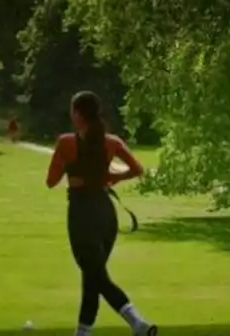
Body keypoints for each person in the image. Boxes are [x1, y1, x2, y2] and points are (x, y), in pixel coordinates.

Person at [45, 91, 158, 336]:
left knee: (95, 274)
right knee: (93, 273)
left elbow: (51, 181)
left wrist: (71, 168)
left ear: (77, 114)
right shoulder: (112, 142)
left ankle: (138, 323)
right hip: (106, 213)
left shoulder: (66, 142)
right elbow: (137, 169)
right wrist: (109, 177)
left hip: (82, 213)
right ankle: (83, 332)